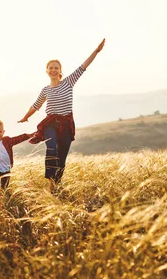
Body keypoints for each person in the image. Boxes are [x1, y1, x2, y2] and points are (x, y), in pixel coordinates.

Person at [18, 39, 106, 193]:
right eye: (50, 68)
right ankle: (50, 181)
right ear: (46, 71)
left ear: (60, 71)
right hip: (50, 124)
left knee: (62, 157)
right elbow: (36, 105)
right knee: (51, 149)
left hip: (66, 124)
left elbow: (83, 66)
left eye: (56, 68)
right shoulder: (45, 90)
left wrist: (96, 51)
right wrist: (26, 117)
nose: (53, 70)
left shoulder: (68, 82)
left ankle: (56, 185)